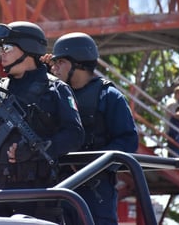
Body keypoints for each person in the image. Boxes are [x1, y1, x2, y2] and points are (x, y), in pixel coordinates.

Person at [0, 21, 85, 222]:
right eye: (0, 48)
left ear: (28, 50)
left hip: (34, 194)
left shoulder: (54, 89)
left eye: (7, 48)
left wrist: (38, 150)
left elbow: (74, 134)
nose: (2, 53)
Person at [41, 32, 139, 225]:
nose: (55, 67)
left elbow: (128, 141)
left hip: (95, 189)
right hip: (55, 185)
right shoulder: (52, 94)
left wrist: (93, 164)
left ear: (78, 63)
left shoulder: (108, 96)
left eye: (60, 62)